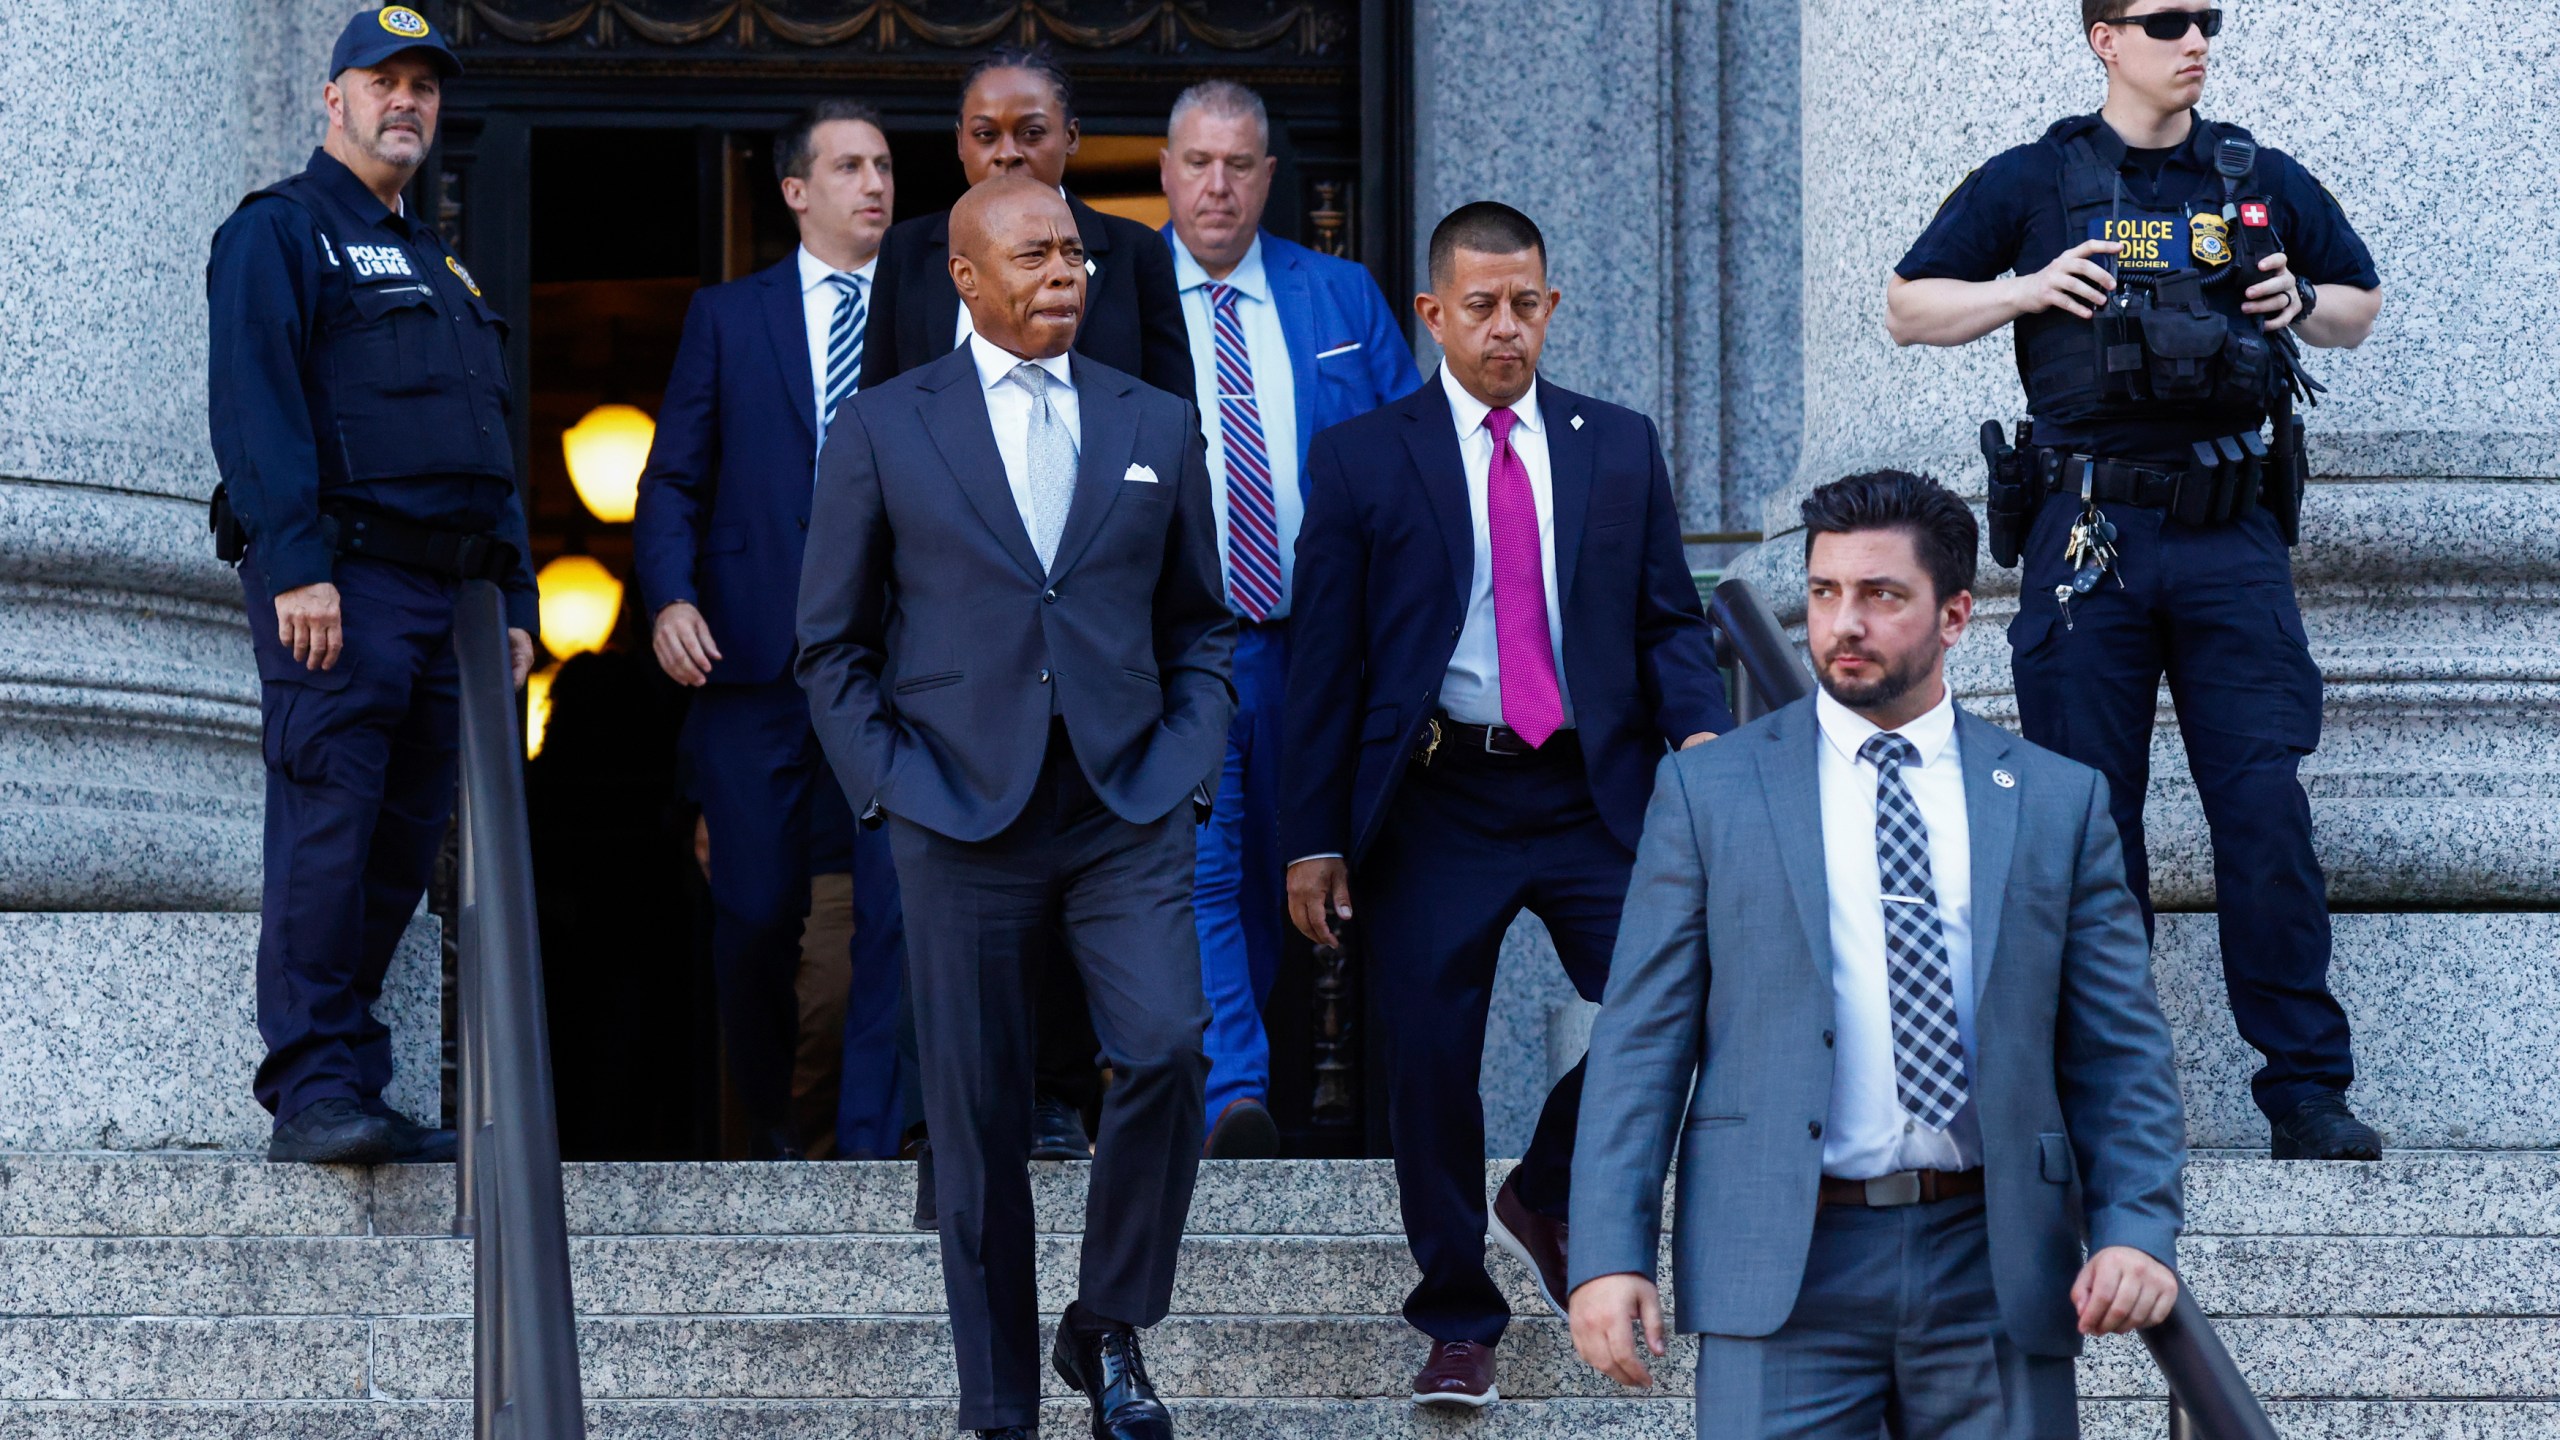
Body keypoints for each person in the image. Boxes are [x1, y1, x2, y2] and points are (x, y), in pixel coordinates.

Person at [1568, 470, 2189, 1438]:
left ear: (1953, 618)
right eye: (1824, 594)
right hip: (1782, 1260)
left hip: (1993, 1262)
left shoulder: (2054, 800)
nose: (1842, 622)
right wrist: (1609, 1253)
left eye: (1880, 596)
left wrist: (2137, 1229)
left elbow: (2118, 1048)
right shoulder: (1710, 792)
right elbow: (1639, 1042)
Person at [1886, 0, 2384, 1160]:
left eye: (2207, 18)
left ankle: (2305, 1090)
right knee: (2086, 824)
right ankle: (2099, 1099)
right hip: (2089, 534)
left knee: (2262, 813)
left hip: (2231, 539)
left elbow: (2357, 303)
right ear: (2103, 38)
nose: (2195, 39)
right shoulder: (2033, 180)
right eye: (2167, 21)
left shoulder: (2256, 175)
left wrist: (2301, 306)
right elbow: (1909, 305)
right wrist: (2023, 289)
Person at [797, 175, 1233, 1440]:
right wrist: (891, 788)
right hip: (955, 810)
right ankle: (998, 1408)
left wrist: (1187, 754)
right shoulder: (884, 425)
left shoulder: (1154, 414)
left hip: (1126, 799)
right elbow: (828, 645)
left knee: (1165, 1046)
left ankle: (1104, 1324)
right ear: (967, 281)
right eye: (1035, 257)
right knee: (980, 1122)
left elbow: (1199, 622)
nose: (1065, 275)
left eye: (1078, 255)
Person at [1281, 201, 1731, 1408]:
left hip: (1593, 790)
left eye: (1525, 303)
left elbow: (1665, 625)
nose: (1504, 328)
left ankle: (1545, 1184)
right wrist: (1311, 838)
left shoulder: (1616, 445)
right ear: (1432, 314)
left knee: (1687, 995)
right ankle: (1457, 1317)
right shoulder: (1365, 457)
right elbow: (1321, 666)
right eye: (1478, 306)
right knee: (1428, 1061)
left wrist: (1705, 748)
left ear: (1551, 307)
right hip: (1436, 795)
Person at [205, 5, 535, 1165]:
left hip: (446, 604)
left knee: (398, 850)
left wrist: (519, 604)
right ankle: (312, 1092)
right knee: (328, 833)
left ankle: (356, 1078)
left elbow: (488, 446)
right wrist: (294, 567)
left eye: (424, 86)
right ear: (330, 98)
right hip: (339, 584)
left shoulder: (442, 267)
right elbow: (256, 411)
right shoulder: (282, 233)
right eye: (382, 80)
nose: (407, 101)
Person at [863, 47, 1195, 1163]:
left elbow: (1173, 437)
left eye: (1030, 130)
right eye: (983, 132)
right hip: (955, 686)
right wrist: (885, 760)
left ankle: (1064, 1093)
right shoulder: (912, 256)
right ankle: (943, 1130)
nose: (1006, 149)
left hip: (1104, 667)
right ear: (958, 145)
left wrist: (1181, 737)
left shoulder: (1130, 257)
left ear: (1071, 139)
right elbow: (878, 441)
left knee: (1129, 981)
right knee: (944, 932)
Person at [633, 101, 910, 1162]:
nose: (873, 184)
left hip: (894, 667)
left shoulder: (930, 314)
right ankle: (772, 1133)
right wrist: (668, 599)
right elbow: (673, 480)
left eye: (883, 165)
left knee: (892, 918)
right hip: (751, 666)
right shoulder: (728, 316)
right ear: (797, 192)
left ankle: (876, 1145)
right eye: (848, 166)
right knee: (753, 916)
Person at [1155, 79, 1423, 1158]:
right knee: (1204, 863)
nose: (1217, 185)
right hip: (1187, 646)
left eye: (1239, 164)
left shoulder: (1341, 297)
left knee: (1291, 866)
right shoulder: (1117, 295)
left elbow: (1409, 461)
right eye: (1197, 163)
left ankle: (1260, 1079)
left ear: (1270, 177)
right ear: (1167, 171)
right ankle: (1233, 1094)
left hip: (1321, 645)